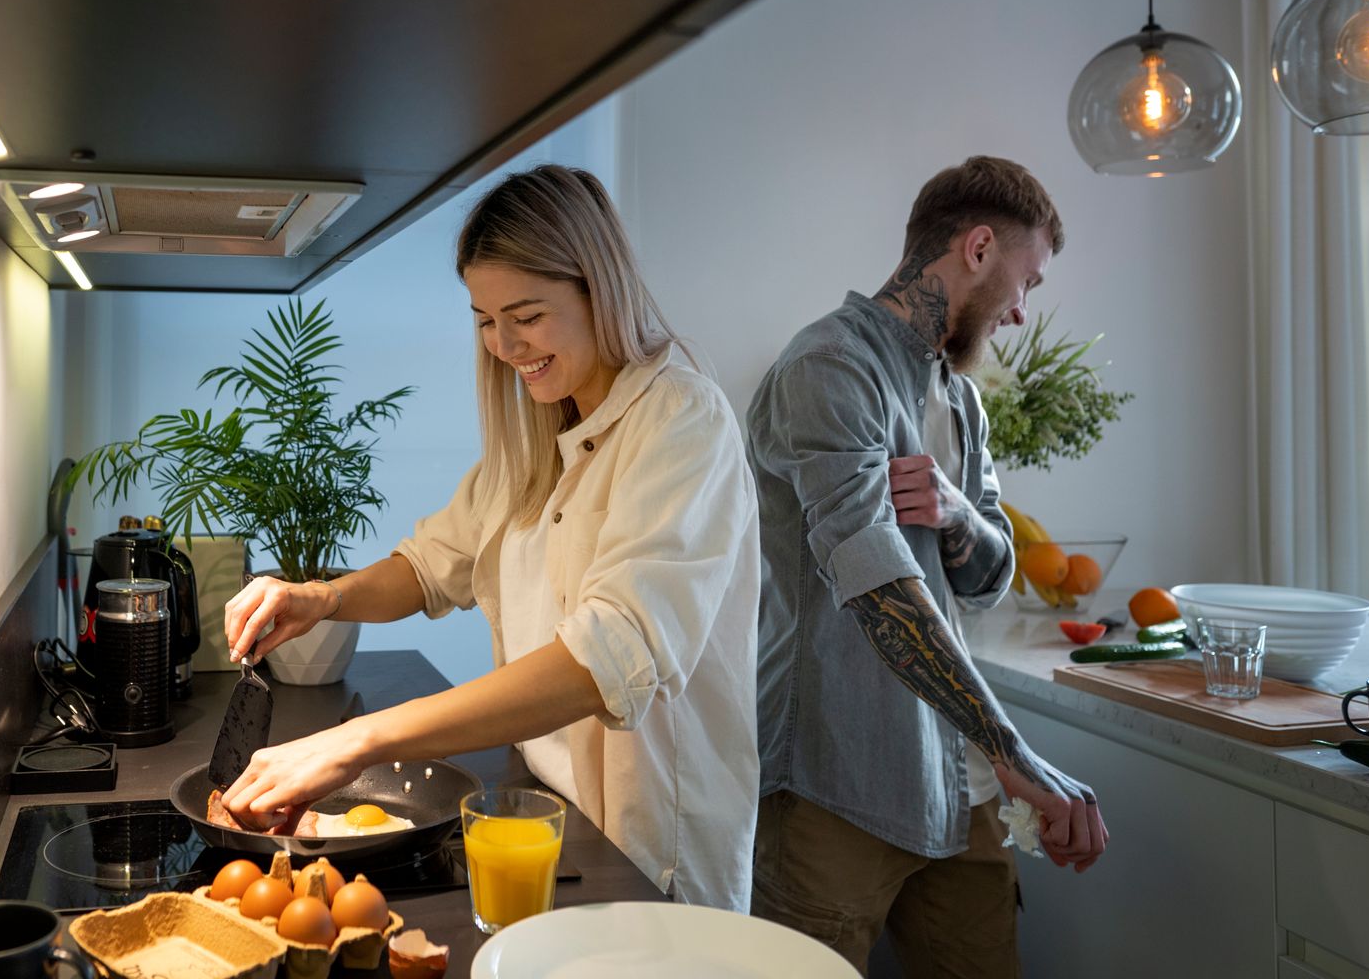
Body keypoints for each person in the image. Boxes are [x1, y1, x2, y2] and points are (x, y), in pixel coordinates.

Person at [220, 164, 761, 910]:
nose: (505, 344)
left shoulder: (682, 422)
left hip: (650, 852)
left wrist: (356, 741)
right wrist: (319, 597)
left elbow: (604, 661)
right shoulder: (543, 427)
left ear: (596, 287)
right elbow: (433, 563)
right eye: (484, 318)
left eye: (527, 315)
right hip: (546, 804)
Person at [746, 156, 1108, 976]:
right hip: (836, 784)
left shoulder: (963, 399)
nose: (1020, 311)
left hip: (960, 786)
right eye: (1029, 282)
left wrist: (955, 511)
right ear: (978, 247)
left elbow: (989, 580)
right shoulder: (828, 367)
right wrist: (1018, 753)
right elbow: (880, 591)